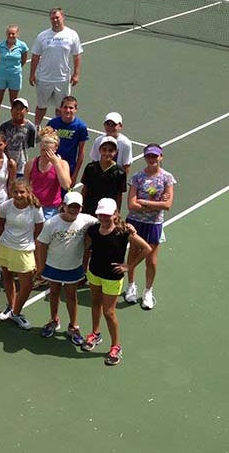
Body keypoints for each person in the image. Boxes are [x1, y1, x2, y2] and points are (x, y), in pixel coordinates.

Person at [83, 198, 151, 366]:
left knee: (109, 312)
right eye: (101, 214)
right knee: (95, 304)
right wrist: (85, 268)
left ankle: (115, 346)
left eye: (107, 215)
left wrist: (129, 266)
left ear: (115, 214)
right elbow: (87, 249)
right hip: (94, 273)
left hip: (112, 278)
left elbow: (146, 248)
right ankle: (95, 334)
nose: (103, 218)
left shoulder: (124, 231)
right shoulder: (93, 230)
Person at [35, 191, 98, 343]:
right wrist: (41, 267)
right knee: (54, 293)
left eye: (77, 207)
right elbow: (41, 245)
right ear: (63, 206)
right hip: (53, 265)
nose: (73, 210)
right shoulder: (51, 223)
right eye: (70, 206)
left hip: (73, 267)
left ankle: (73, 326)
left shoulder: (86, 220)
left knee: (71, 296)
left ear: (81, 208)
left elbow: (104, 222)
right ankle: (53, 320)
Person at [124, 144, 176, 310]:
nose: (152, 159)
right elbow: (131, 205)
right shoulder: (137, 177)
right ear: (145, 157)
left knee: (151, 261)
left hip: (154, 224)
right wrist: (156, 204)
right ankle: (131, 286)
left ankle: (148, 291)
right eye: (149, 156)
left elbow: (167, 205)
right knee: (133, 254)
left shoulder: (167, 178)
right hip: (135, 222)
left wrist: (144, 202)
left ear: (161, 157)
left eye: (155, 156)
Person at [0, 179, 44, 330]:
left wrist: (32, 246)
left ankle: (16, 313)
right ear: (11, 192)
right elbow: (1, 225)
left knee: (27, 286)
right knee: (7, 277)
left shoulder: (35, 209)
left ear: (28, 192)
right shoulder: (6, 206)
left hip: (24, 250)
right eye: (15, 192)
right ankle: (11, 306)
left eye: (22, 192)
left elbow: (39, 230)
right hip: (5, 246)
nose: (18, 195)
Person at [29, 7, 83, 127]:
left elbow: (77, 55)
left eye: (57, 17)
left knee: (61, 108)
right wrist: (32, 74)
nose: (55, 20)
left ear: (63, 17)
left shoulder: (72, 35)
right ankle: (36, 128)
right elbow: (35, 56)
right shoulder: (42, 36)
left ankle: (57, 129)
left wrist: (76, 74)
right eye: (52, 18)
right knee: (41, 106)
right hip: (44, 78)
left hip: (62, 79)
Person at [26, 126, 72, 220]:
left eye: (49, 151)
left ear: (56, 148)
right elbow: (26, 185)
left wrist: (56, 164)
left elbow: (66, 186)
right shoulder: (31, 163)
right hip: (33, 206)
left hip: (51, 209)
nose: (45, 153)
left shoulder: (63, 164)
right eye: (43, 150)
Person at [0, 24, 29, 126]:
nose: (11, 35)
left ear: (17, 34)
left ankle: (14, 121)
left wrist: (14, 69)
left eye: (13, 34)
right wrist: (3, 68)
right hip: (1, 76)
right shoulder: (0, 45)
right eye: (9, 33)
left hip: (15, 77)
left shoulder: (22, 46)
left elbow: (23, 60)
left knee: (14, 101)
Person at [47, 96, 88, 185]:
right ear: (61, 108)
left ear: (76, 109)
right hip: (51, 165)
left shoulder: (81, 127)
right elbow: (46, 146)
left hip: (69, 168)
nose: (68, 110)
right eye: (65, 107)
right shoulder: (52, 123)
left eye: (71, 108)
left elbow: (81, 152)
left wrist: (75, 175)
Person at [80, 137, 127, 215]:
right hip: (89, 208)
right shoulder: (90, 167)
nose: (107, 153)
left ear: (116, 152)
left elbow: (119, 194)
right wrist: (81, 203)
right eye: (104, 150)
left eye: (111, 150)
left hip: (107, 211)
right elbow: (85, 188)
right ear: (99, 150)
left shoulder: (120, 172)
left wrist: (117, 211)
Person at [0, 97, 36, 177]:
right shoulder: (4, 126)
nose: (18, 111)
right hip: (5, 163)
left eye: (21, 109)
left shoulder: (30, 127)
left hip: (21, 165)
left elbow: (29, 144)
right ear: (11, 110)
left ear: (27, 111)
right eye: (15, 108)